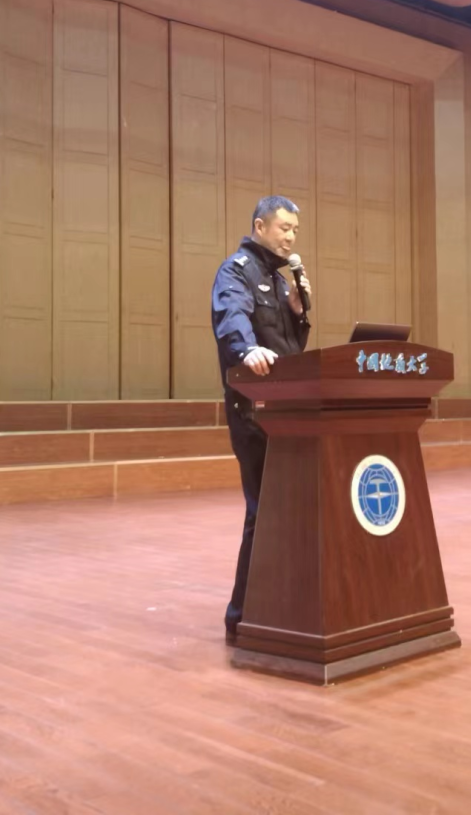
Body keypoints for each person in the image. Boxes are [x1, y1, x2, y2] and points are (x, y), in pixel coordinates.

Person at [211, 195, 312, 643]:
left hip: (289, 410)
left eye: (295, 230)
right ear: (260, 226)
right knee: (263, 509)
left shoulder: (279, 279)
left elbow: (290, 351)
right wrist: (246, 348)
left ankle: (283, 603)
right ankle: (241, 616)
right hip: (254, 412)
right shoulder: (236, 272)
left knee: (290, 509)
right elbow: (231, 319)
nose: (291, 236)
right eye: (284, 227)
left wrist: (299, 315)